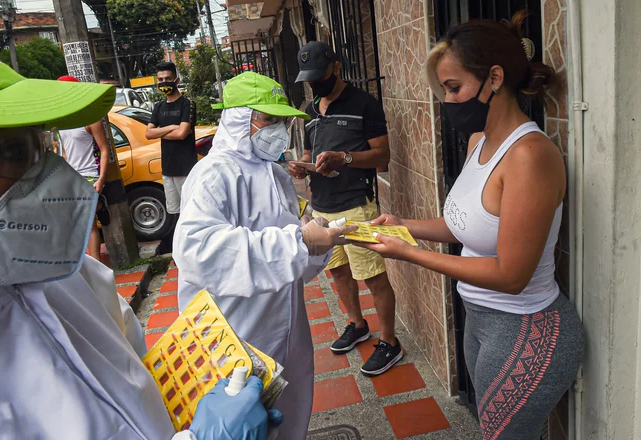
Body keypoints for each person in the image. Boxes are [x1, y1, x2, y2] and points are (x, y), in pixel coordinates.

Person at [0, 48, 279, 440]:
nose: (48, 175)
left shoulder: (70, 272)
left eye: (40, 147)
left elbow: (136, 368)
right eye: (12, 153)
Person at [358, 13, 584, 440]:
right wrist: (404, 226)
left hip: (525, 328)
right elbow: (464, 226)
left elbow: (510, 275)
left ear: (494, 78)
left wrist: (408, 253)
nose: (447, 101)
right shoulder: (479, 141)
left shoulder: (530, 156)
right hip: (480, 318)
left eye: (453, 87)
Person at [173, 71, 357, 440]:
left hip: (285, 324)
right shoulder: (214, 175)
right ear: (239, 120)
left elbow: (290, 251)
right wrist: (299, 241)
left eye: (281, 121)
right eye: (268, 120)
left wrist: (321, 238)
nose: (277, 130)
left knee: (288, 415)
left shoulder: (275, 174)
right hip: (234, 333)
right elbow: (197, 250)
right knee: (243, 422)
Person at [290, 41, 402, 376]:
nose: (315, 83)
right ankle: (357, 324)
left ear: (336, 67)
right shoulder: (311, 111)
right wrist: (302, 166)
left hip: (356, 205)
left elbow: (382, 157)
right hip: (321, 207)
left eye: (319, 75)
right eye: (309, 77)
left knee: (372, 275)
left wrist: (346, 159)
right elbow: (311, 154)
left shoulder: (364, 104)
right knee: (337, 271)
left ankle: (390, 341)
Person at [146, 61, 197, 253]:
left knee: (191, 211)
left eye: (168, 78)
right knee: (174, 213)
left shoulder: (187, 104)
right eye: (160, 80)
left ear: (176, 79)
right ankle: (180, 251)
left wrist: (160, 131)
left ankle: (194, 249)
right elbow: (148, 134)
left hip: (186, 169)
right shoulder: (158, 107)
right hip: (168, 170)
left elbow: (182, 134)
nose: (164, 82)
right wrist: (170, 128)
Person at [57, 74, 110, 262]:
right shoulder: (60, 120)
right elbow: (64, 152)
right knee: (77, 225)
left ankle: (96, 264)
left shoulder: (90, 119)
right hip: (70, 177)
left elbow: (104, 149)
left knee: (89, 225)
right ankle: (85, 263)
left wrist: (101, 179)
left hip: (89, 176)